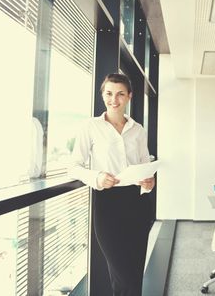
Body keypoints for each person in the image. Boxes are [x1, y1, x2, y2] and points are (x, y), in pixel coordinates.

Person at [68, 73, 155, 296]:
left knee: (134, 273)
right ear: (102, 95)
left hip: (137, 203)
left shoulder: (138, 129)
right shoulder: (91, 126)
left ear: (129, 97)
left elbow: (145, 165)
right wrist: (96, 177)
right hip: (107, 204)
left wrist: (148, 182)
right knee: (121, 272)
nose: (113, 100)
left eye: (120, 94)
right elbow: (74, 166)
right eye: (108, 93)